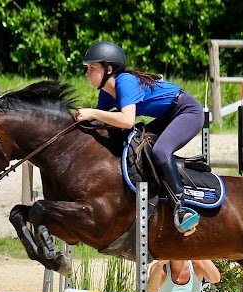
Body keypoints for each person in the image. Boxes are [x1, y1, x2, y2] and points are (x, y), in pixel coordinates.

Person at [75, 41, 204, 236]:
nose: (87, 73)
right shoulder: (106, 93)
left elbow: (127, 120)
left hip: (188, 111)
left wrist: (92, 113)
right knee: (138, 147)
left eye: (92, 68)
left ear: (109, 69)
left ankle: (182, 207)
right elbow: (99, 122)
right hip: (167, 116)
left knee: (160, 150)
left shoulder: (124, 81)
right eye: (87, 68)